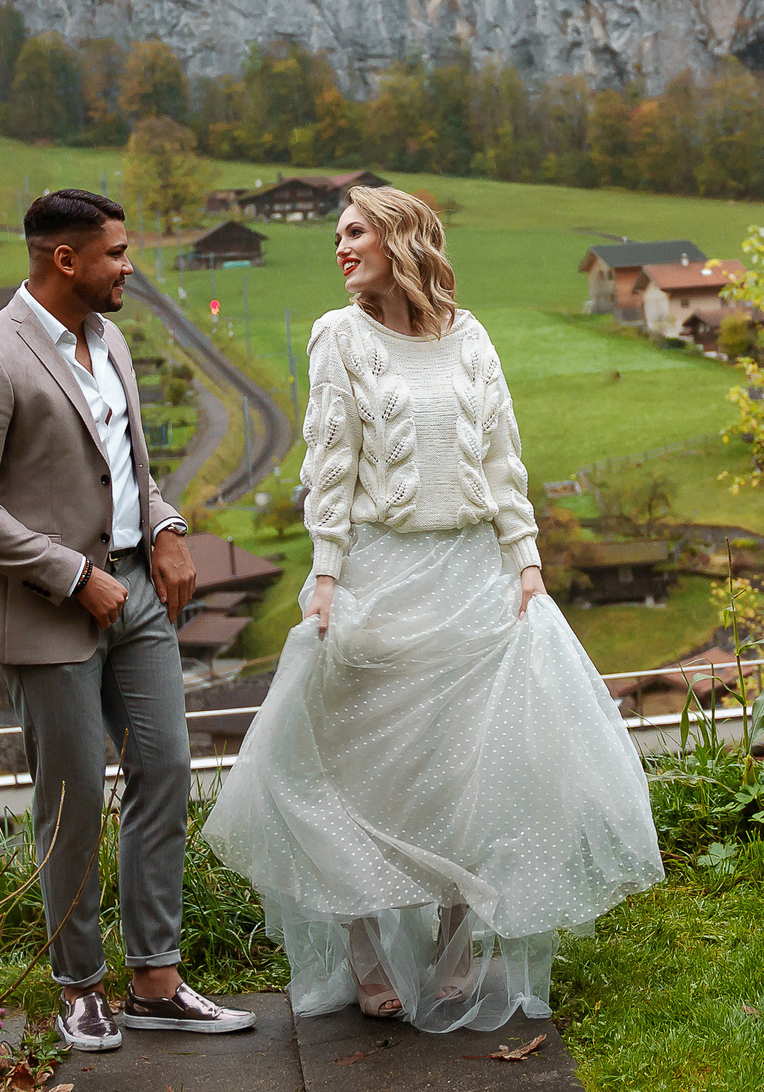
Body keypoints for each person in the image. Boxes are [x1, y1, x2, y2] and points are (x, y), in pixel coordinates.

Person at [203, 186, 662, 1031]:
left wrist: (524, 561)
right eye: (336, 233)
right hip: (377, 574)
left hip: (471, 574)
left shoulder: (472, 336)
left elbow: (502, 459)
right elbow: (330, 467)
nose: (339, 248)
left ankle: (457, 950)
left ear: (403, 238)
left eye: (354, 232)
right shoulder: (336, 337)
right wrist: (329, 578)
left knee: (470, 773)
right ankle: (367, 953)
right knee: (355, 769)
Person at [0, 189, 256, 1053]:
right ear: (64, 259)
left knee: (166, 769)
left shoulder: (109, 341)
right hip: (49, 610)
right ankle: (80, 986)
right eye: (115, 253)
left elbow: (122, 470)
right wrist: (73, 575)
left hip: (138, 594)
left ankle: (157, 978)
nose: (129, 266)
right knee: (71, 802)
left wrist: (168, 522)